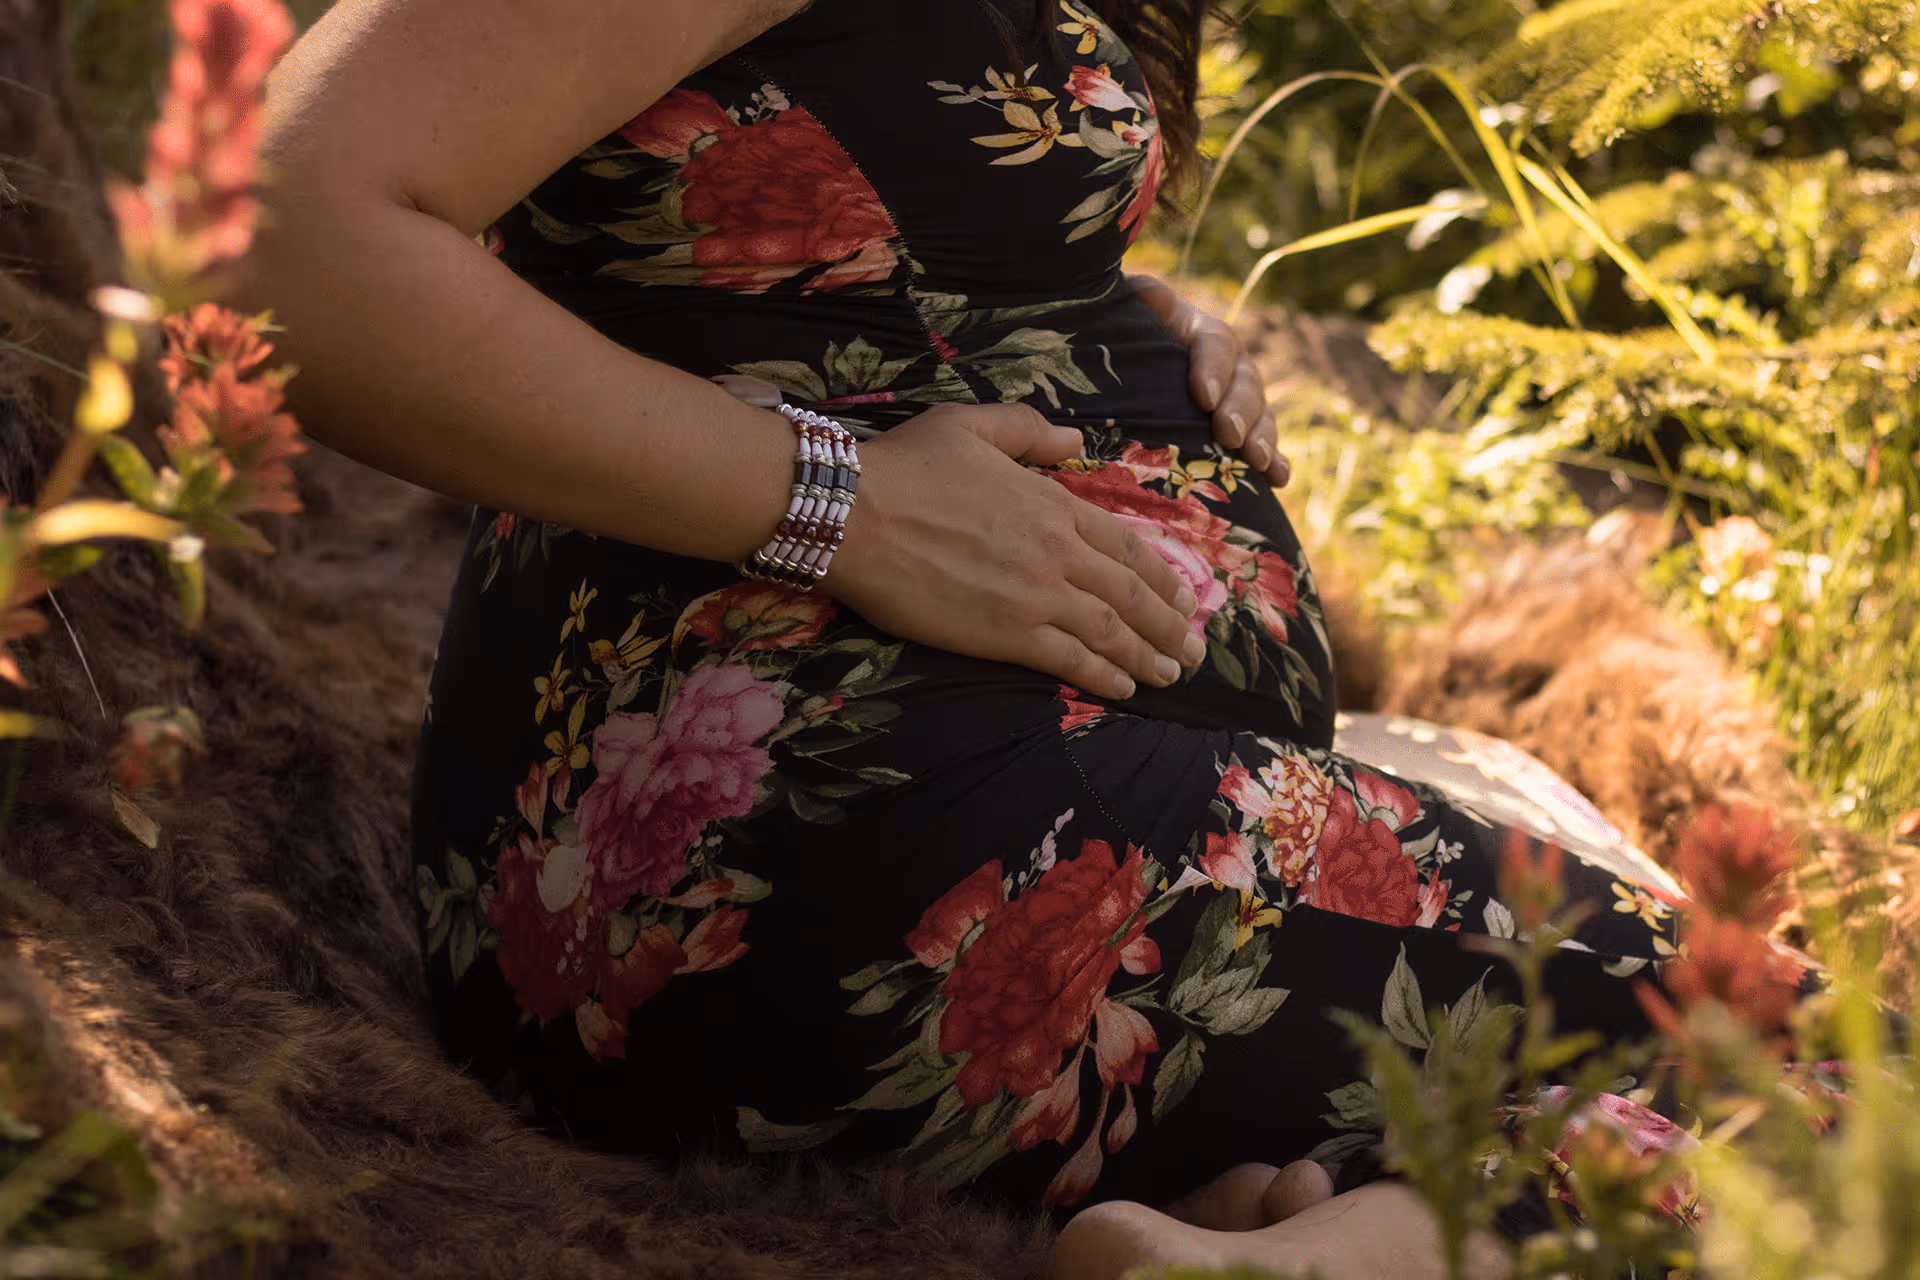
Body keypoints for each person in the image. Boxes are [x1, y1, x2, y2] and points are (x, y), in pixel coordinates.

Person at [238, 0, 1682, 1273]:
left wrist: (1082, 313)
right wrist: (845, 508)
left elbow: (745, 228)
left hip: (780, 883)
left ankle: (1329, 1238)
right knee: (1800, 1055)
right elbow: (288, 229)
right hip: (882, 853)